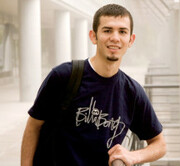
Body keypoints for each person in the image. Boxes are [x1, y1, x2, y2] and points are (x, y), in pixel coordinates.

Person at [21, 4, 166, 166]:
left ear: (130, 40)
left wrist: (133, 156)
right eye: (107, 30)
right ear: (93, 36)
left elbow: (159, 144)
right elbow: (34, 126)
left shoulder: (132, 92)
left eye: (122, 32)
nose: (115, 38)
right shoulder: (63, 76)